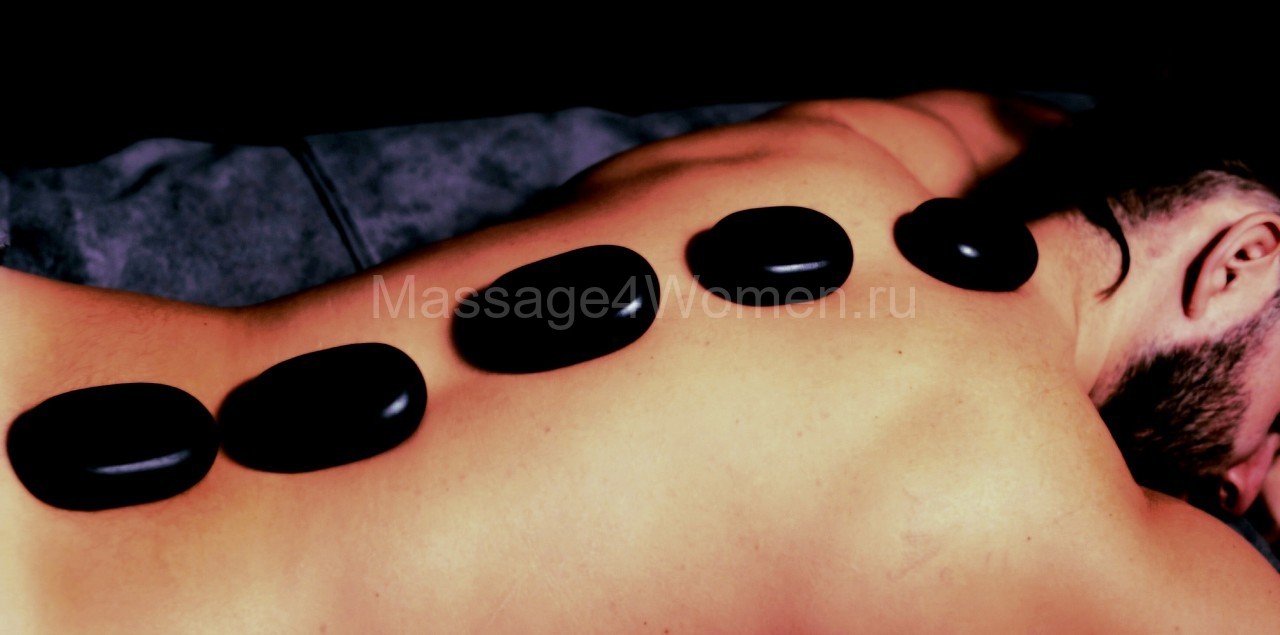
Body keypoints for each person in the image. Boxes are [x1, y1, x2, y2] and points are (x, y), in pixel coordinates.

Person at [2, 87, 1279, 632]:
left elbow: (1024, 128)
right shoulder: (1038, 518)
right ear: (1243, 257)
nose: (1248, 489)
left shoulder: (833, 152)